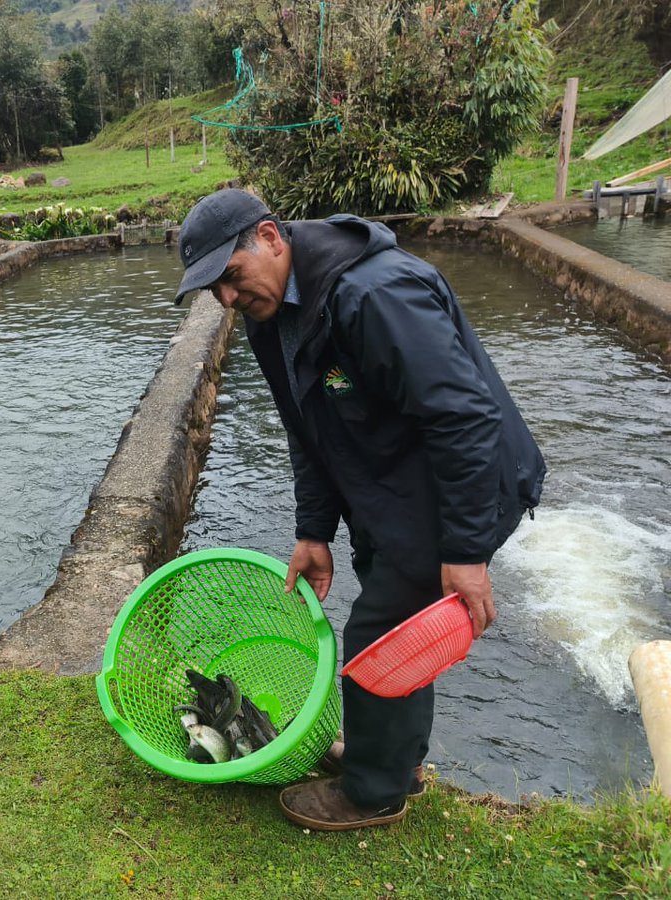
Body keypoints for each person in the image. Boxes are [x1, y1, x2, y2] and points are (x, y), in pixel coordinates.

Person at [172, 189, 545, 831]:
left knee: (376, 635)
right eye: (214, 289)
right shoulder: (270, 315)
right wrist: (313, 529)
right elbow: (306, 427)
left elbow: (463, 420)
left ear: (270, 237)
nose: (227, 298)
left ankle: (374, 791)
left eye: (231, 275)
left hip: (458, 484)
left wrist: (465, 551)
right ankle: (396, 761)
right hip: (389, 483)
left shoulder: (376, 294)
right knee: (399, 618)